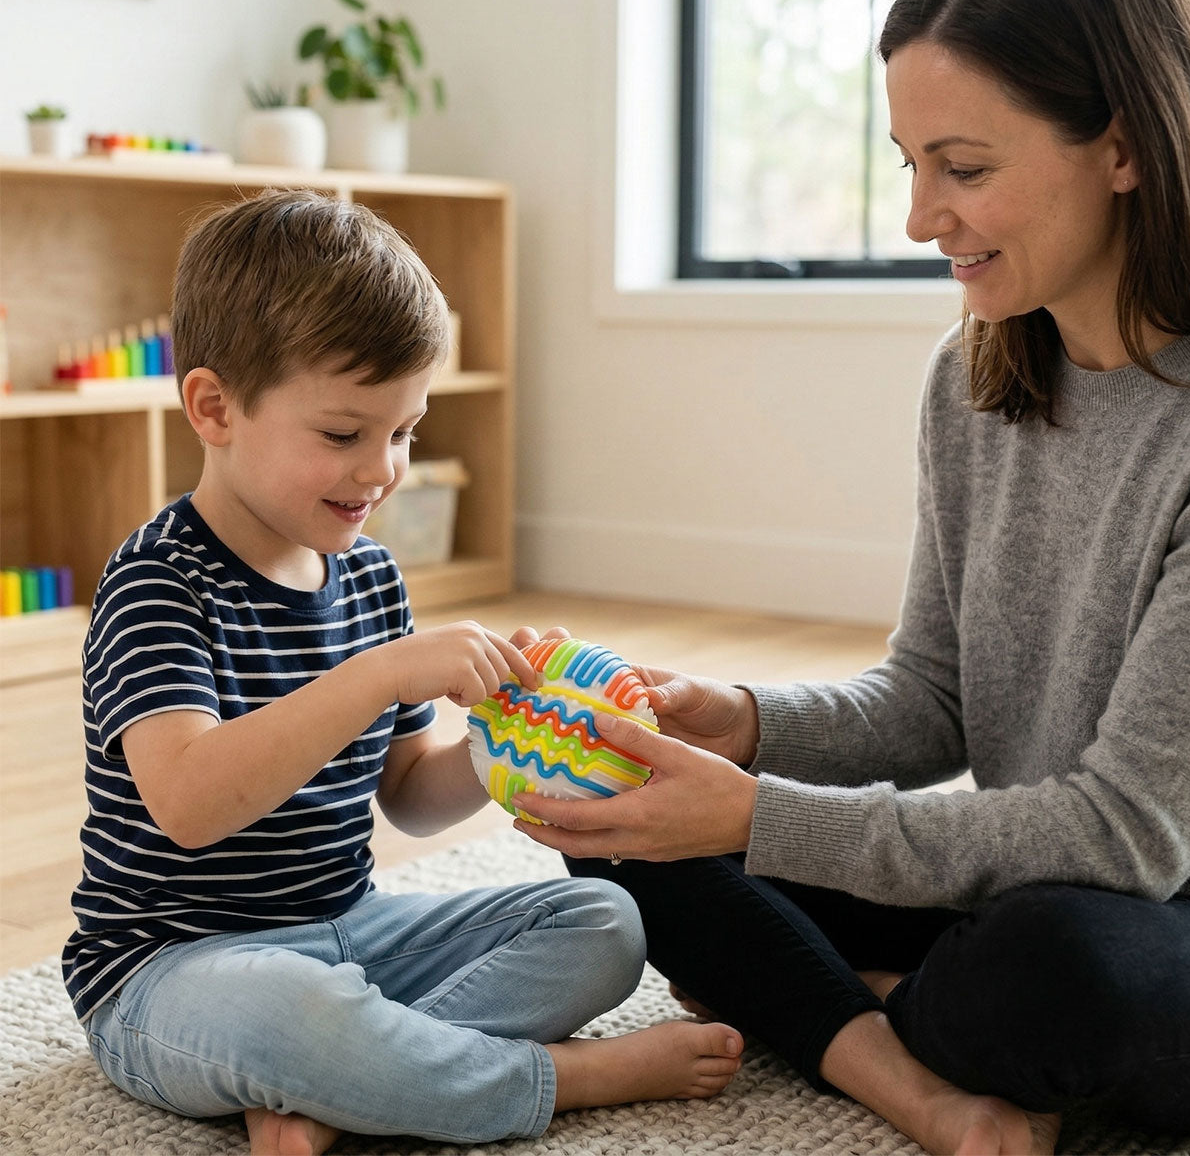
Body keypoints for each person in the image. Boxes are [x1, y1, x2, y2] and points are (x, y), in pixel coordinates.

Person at [508, 0, 1190, 1154]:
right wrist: (735, 726)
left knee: (1056, 969)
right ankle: (907, 1053)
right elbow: (931, 696)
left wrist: (759, 822)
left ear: (1126, 147)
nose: (925, 217)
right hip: (1033, 879)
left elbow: (1129, 835)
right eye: (911, 164)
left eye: (965, 168)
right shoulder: (976, 378)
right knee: (630, 833)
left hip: (1149, 918)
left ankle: (839, 1006)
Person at [61, 189, 743, 1156]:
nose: (383, 470)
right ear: (215, 407)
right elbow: (188, 802)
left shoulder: (372, 576)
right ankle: (548, 1080)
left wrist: (508, 732)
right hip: (171, 973)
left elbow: (414, 801)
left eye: (406, 430)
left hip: (351, 934)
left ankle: (350, 1084)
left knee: (602, 921)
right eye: (344, 434)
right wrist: (380, 676)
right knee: (289, 1013)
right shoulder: (158, 581)